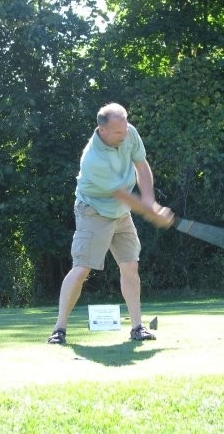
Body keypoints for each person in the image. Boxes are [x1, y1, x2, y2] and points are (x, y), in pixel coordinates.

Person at [47, 103, 174, 345]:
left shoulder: (129, 132)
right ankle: (59, 328)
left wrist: (149, 200)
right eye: (117, 132)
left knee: (130, 266)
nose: (124, 135)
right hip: (94, 211)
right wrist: (152, 212)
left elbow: (141, 165)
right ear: (102, 131)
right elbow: (120, 193)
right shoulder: (92, 159)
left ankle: (137, 327)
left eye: (125, 129)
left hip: (121, 213)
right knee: (82, 268)